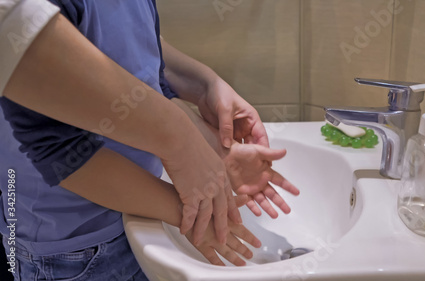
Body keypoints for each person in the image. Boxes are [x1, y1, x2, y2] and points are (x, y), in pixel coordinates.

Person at [0, 0, 299, 280]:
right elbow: (61, 152)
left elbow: (138, 72)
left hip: (133, 220)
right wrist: (192, 211)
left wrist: (216, 146)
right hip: (74, 250)